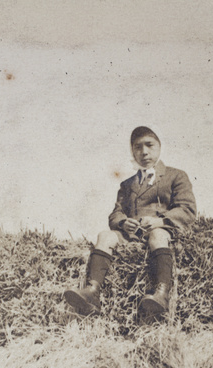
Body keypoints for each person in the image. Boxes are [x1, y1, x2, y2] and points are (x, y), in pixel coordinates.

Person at [64, 126, 197, 321]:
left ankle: (163, 293)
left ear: (159, 147)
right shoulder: (127, 185)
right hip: (132, 235)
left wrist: (160, 220)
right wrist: (124, 222)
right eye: (137, 147)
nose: (144, 152)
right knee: (104, 235)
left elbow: (187, 209)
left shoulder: (176, 176)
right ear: (132, 152)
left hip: (163, 230)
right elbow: (115, 214)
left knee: (157, 235)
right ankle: (92, 291)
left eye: (149, 145)